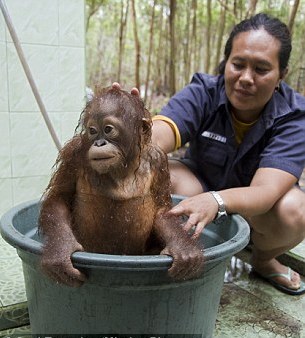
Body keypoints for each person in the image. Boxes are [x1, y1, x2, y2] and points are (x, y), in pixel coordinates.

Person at [114, 13, 305, 295]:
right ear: (225, 62)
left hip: (258, 211)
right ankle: (166, 247)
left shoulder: (294, 115)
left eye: (262, 69)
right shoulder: (204, 91)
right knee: (158, 172)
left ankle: (263, 259)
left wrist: (217, 200)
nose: (246, 78)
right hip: (198, 186)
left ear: (281, 75)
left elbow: (265, 191)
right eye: (238, 64)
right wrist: (130, 138)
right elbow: (164, 130)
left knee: (295, 210)